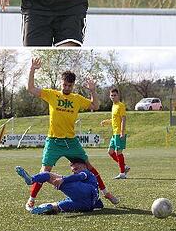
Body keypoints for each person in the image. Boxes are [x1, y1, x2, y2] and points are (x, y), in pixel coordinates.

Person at [22, 58, 119, 211]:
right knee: (44, 171)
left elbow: (96, 105)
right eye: (64, 84)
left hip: (71, 141)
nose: (66, 87)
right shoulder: (51, 94)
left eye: (69, 85)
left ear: (73, 85)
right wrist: (32, 69)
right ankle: (31, 200)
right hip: (53, 141)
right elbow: (31, 88)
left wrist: (93, 90)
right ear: (61, 83)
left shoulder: (77, 99)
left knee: (89, 167)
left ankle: (106, 193)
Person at [15, 158, 104, 214]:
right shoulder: (86, 178)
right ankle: (44, 208)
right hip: (86, 205)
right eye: (72, 168)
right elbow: (99, 203)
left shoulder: (86, 172)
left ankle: (32, 180)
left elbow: (80, 176)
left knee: (48, 175)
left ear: (84, 165)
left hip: (86, 192)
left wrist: (63, 179)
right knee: (57, 206)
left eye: (76, 166)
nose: (74, 169)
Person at [100, 87, 130, 179]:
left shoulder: (120, 105)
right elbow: (114, 120)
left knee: (118, 152)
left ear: (118, 95)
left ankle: (122, 173)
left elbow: (123, 119)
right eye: (111, 95)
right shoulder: (113, 106)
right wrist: (106, 121)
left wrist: (122, 132)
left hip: (119, 133)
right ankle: (124, 167)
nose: (113, 97)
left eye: (115, 95)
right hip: (114, 134)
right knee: (110, 152)